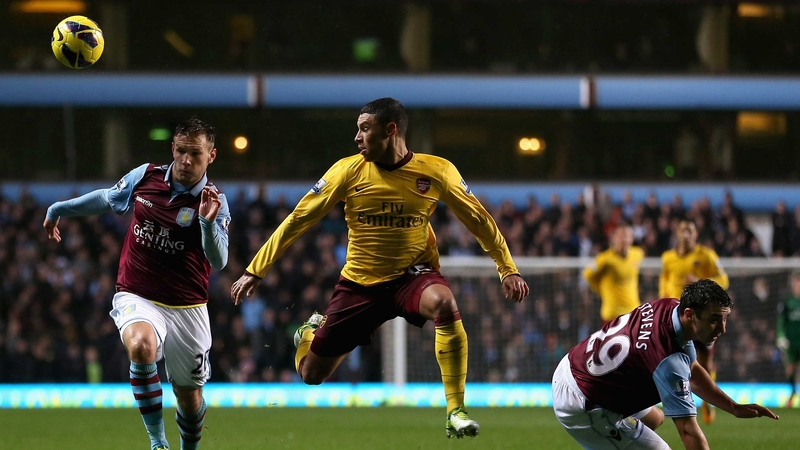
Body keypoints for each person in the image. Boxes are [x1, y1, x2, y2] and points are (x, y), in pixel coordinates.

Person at [230, 97, 529, 438]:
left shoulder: (437, 171)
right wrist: (255, 269)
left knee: (445, 303)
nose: (357, 137)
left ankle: (455, 411)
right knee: (312, 374)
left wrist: (507, 268)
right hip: (359, 286)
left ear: (390, 130)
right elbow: (298, 219)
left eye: (364, 129)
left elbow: (479, 219)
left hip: (411, 275)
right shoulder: (346, 171)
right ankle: (308, 334)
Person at [44, 117, 230, 450]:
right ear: (173, 148)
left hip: (188, 307)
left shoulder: (215, 202)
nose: (187, 161)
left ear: (211, 156)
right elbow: (107, 198)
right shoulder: (145, 177)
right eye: (182, 151)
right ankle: (158, 443)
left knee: (189, 399)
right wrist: (61, 208)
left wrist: (205, 223)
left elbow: (219, 261)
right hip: (138, 293)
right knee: (141, 345)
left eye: (196, 154)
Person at [552, 279, 779, 450]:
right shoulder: (668, 361)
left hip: (573, 364)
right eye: (714, 319)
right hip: (582, 402)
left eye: (724, 318)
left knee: (656, 418)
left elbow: (692, 370)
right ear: (690, 315)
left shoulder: (670, 307)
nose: (722, 329)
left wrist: (733, 408)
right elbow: (688, 432)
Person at [659, 218, 729, 424]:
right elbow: (664, 279)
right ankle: (669, 397)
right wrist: (662, 298)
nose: (686, 234)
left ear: (696, 234)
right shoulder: (668, 258)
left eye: (690, 230)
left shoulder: (706, 255)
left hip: (701, 318)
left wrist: (700, 282)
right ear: (677, 233)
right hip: (676, 317)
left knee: (704, 363)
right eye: (683, 230)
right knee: (668, 358)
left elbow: (724, 279)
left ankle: (708, 401)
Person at [583, 222, 644, 325]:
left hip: (633, 312)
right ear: (614, 238)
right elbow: (587, 274)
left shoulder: (637, 254)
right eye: (620, 236)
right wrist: (600, 289)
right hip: (612, 315)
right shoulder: (604, 259)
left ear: (632, 239)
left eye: (626, 236)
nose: (623, 240)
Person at [777, 272, 800, 408]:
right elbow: (781, 321)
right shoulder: (787, 301)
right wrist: (780, 336)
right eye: (796, 283)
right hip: (791, 342)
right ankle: (793, 393)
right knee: (790, 369)